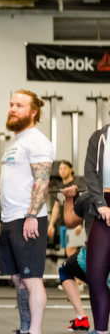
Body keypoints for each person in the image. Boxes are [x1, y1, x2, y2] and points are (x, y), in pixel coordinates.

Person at [0, 89, 54, 334]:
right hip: (10, 219)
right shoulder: (17, 142)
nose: (12, 109)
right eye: (11, 104)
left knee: (32, 279)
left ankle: (35, 331)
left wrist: (32, 216)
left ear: (33, 112)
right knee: (19, 280)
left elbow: (42, 181)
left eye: (19, 105)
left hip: (28, 219)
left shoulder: (37, 141)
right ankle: (25, 328)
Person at [83, 112, 110, 334]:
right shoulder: (99, 137)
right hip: (102, 209)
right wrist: (100, 203)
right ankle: (100, 330)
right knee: (94, 274)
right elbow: (90, 174)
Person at [57, 185, 97, 332]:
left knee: (65, 271)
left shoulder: (88, 196)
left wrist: (69, 199)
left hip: (95, 259)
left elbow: (69, 221)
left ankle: (81, 317)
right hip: (95, 258)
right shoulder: (86, 197)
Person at [47, 160, 87, 257]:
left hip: (74, 224)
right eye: (60, 168)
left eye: (65, 168)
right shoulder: (60, 187)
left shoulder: (77, 185)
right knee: (68, 253)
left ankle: (77, 272)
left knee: (72, 252)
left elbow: (83, 205)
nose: (62, 171)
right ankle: (73, 271)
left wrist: (79, 224)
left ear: (71, 169)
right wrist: (51, 224)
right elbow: (57, 206)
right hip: (62, 224)